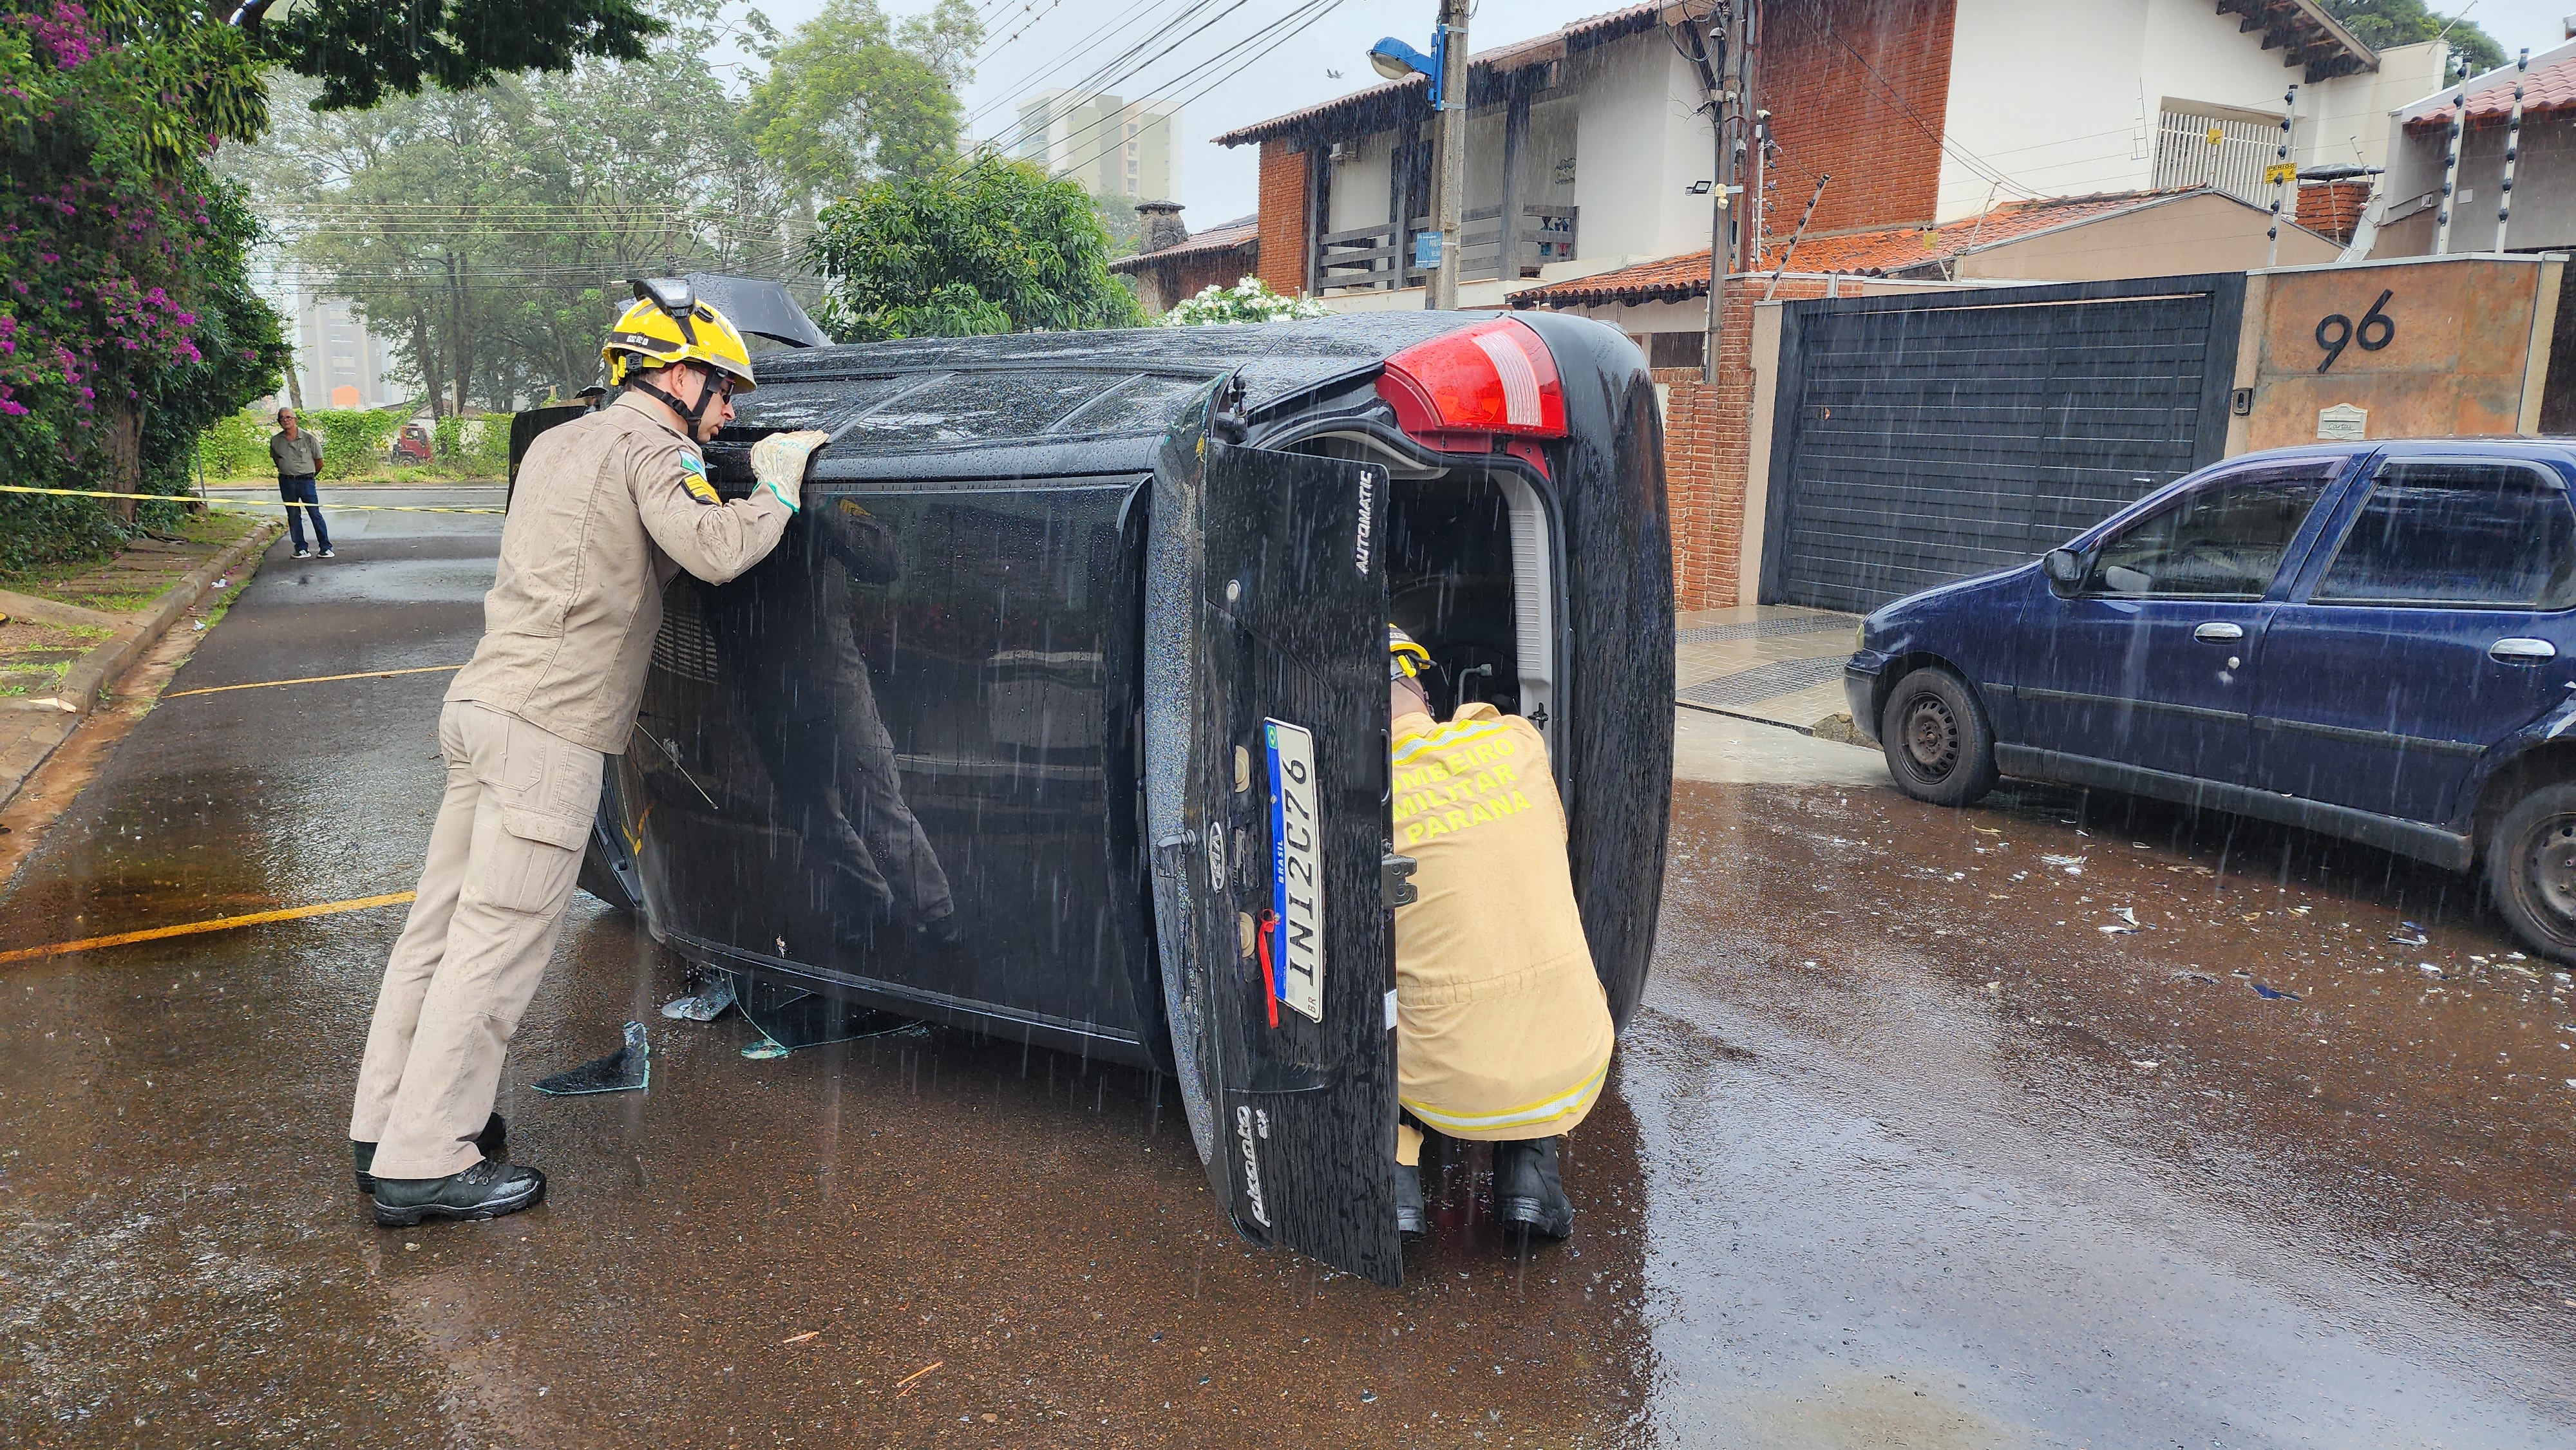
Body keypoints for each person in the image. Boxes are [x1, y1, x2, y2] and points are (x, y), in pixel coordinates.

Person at [348, 284, 830, 1227]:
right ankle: (424, 1158)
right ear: (680, 375)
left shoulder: (557, 443)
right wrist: (774, 482)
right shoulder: (654, 448)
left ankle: (384, 1126)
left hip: (481, 706)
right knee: (496, 950)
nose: (732, 412)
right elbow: (716, 550)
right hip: (550, 733)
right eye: (726, 390)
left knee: (438, 936)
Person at [1386, 624, 1616, 1241]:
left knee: (1370, 968)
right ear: (1424, 693)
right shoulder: (1516, 744)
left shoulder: (1362, 796)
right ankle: (1530, 1179)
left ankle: (1395, 1177)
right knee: (1516, 925)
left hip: (1445, 1079)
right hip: (1577, 1056)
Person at [700, 496, 958, 948]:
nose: (728, 419)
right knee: (809, 811)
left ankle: (938, 919)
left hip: (830, 680)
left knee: (875, 801)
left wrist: (813, 505)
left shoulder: (812, 482)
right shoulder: (706, 481)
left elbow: (886, 561)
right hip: (763, 685)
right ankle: (869, 904)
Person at [268, 407, 332, 559]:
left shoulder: (309, 439)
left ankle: (326, 547)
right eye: (282, 418)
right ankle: (301, 548)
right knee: (293, 515)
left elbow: (320, 462)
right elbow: (277, 459)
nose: (286, 420)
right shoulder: (276, 440)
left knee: (314, 513)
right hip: (287, 482)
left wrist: (308, 476)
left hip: (306, 481)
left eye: (289, 417)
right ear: (279, 421)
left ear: (295, 420)